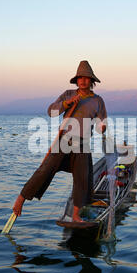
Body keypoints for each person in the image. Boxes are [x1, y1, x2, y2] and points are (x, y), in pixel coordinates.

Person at [12, 60, 107, 223]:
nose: (83, 81)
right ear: (76, 80)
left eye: (86, 78)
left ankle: (76, 215)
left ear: (92, 81)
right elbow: (51, 112)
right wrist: (66, 103)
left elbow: (101, 122)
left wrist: (102, 127)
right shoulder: (68, 94)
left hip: (82, 144)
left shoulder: (98, 101)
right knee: (45, 169)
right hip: (64, 141)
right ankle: (21, 198)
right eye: (80, 78)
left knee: (81, 179)